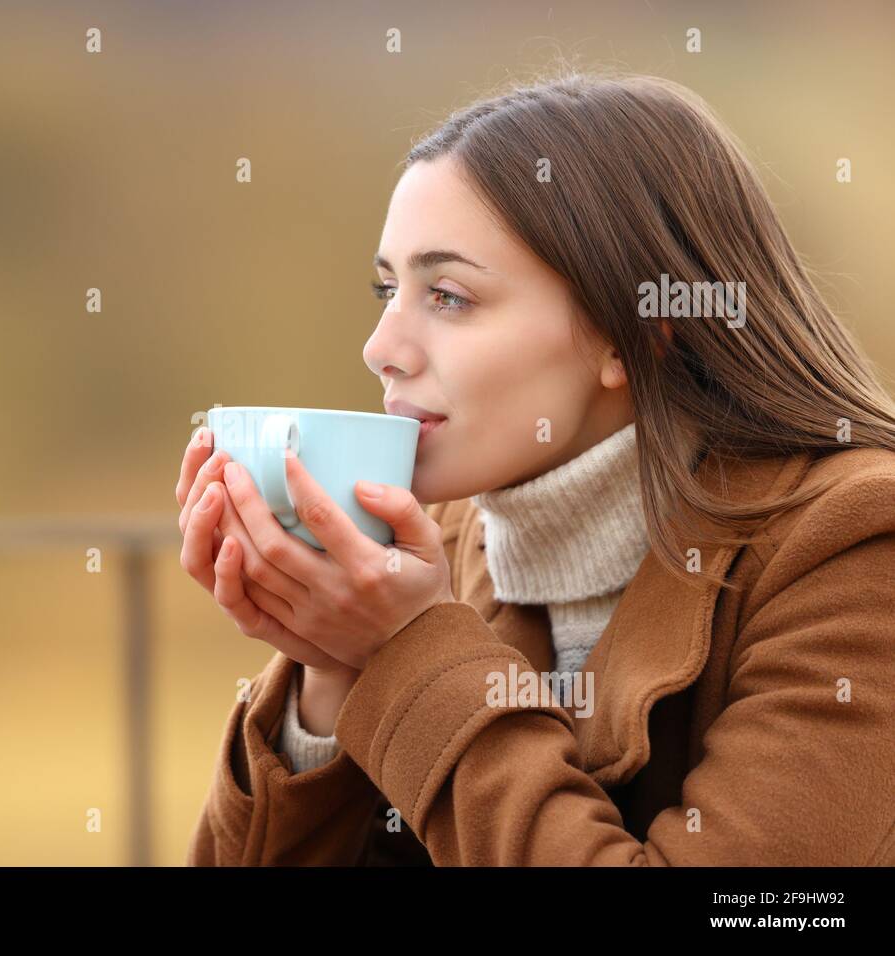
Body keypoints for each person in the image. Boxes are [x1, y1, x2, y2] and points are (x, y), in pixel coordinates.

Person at [175, 71, 895, 865]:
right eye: (388, 288)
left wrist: (410, 651)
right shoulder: (430, 544)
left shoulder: (855, 547)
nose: (381, 348)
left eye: (447, 295)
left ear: (635, 333)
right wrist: (331, 672)